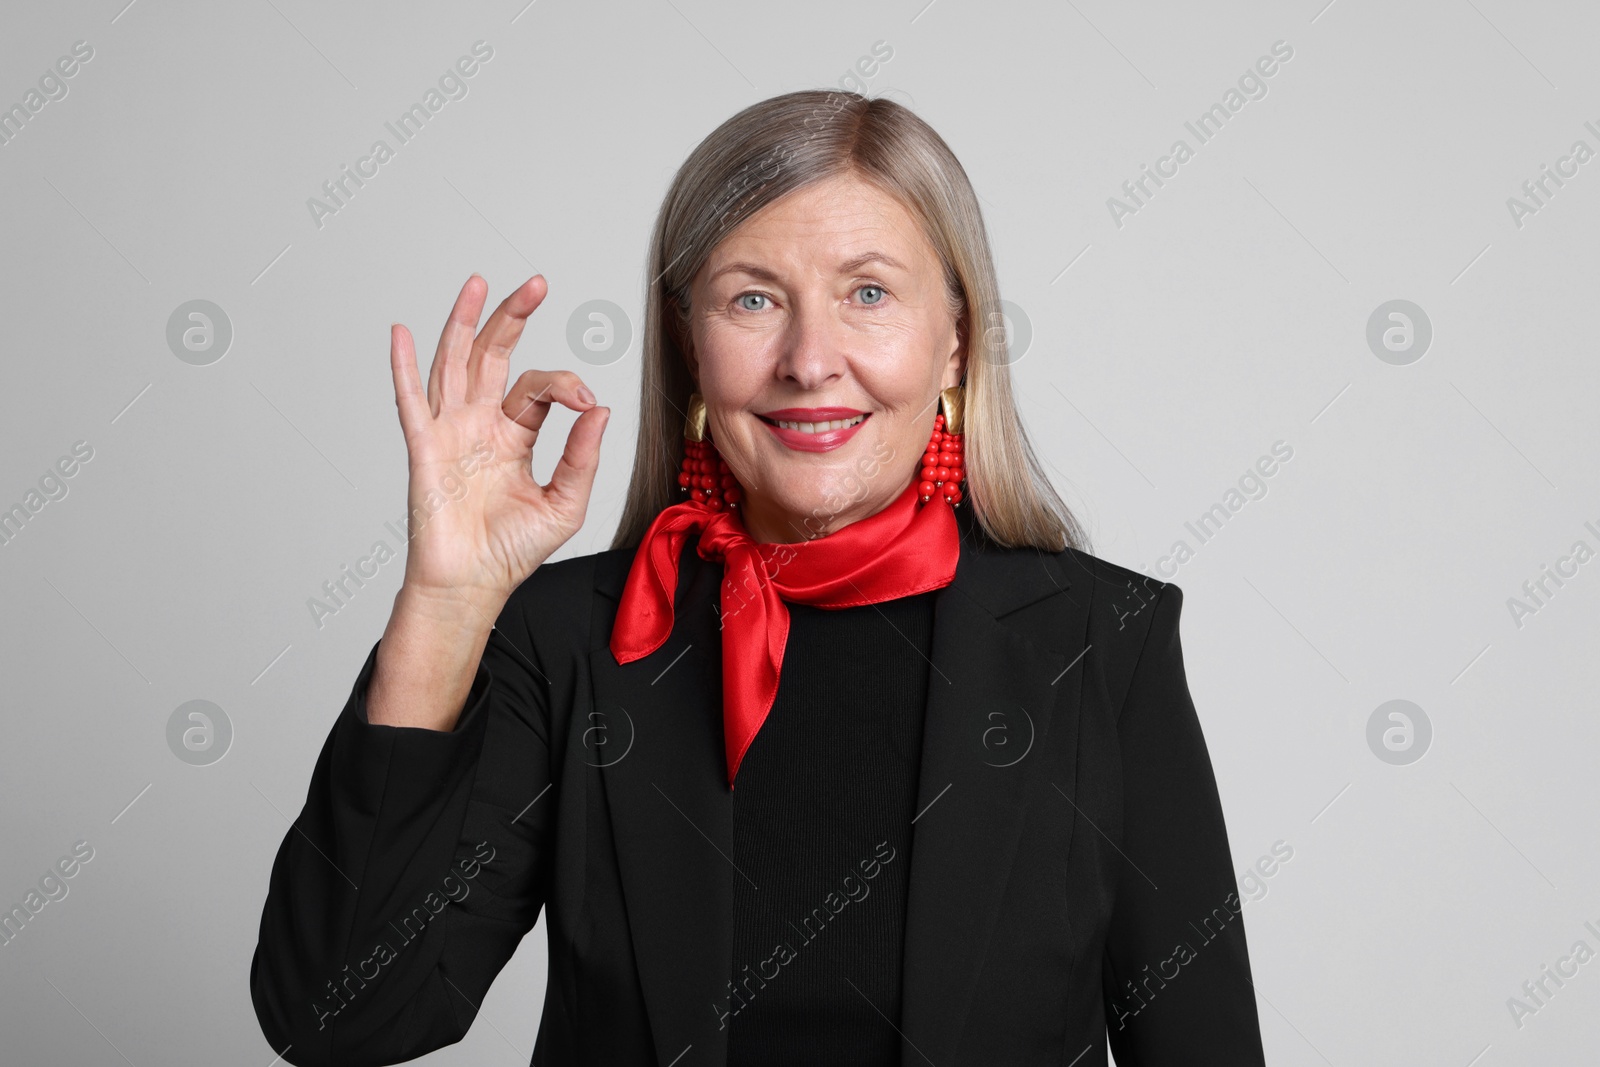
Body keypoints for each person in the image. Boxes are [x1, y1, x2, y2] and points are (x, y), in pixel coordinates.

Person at [249, 89, 1267, 1067]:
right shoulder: (566, 638)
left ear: (955, 339)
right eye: (752, 299)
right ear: (690, 345)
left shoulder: (1101, 638)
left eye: (868, 293)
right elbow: (337, 1015)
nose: (809, 359)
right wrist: (447, 601)